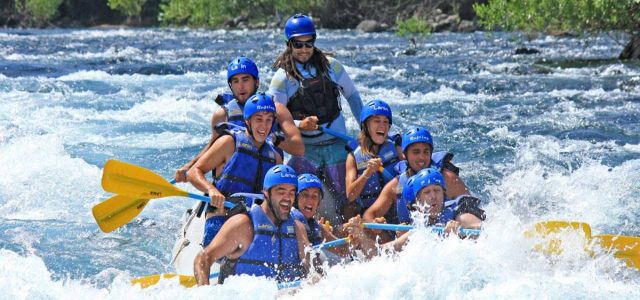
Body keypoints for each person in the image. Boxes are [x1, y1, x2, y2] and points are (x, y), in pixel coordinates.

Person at [269, 14, 364, 226]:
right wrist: (298, 125)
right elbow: (271, 116)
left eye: (308, 43)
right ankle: (299, 230)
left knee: (349, 197)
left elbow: (353, 98)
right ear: (289, 45)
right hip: (305, 151)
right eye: (298, 44)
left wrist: (365, 132)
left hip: (337, 145)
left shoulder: (332, 67)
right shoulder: (282, 79)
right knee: (292, 195)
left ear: (314, 41)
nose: (303, 49)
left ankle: (351, 236)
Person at [175, 56, 303, 182]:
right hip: (233, 183)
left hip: (266, 182)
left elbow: (299, 149)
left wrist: (271, 138)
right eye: (235, 81)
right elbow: (212, 148)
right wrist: (189, 166)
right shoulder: (222, 116)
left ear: (256, 82)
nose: (240, 86)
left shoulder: (277, 110)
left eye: (245, 80)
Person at [187, 93, 282, 246]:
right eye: (259, 119)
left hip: (254, 223)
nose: (264, 126)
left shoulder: (275, 157)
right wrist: (212, 190)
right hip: (222, 216)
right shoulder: (229, 142)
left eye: (268, 120)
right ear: (247, 121)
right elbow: (194, 172)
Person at [194, 165, 310, 285]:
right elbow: (203, 259)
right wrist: (204, 292)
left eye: (291, 193)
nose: (287, 198)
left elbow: (311, 265)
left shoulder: (297, 228)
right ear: (266, 192)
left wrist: (317, 277)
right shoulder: (243, 225)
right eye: (281, 191)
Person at [347, 168, 484, 258]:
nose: (433, 196)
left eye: (437, 190)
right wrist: (361, 236)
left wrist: (460, 233)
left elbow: (484, 231)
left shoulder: (459, 213)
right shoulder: (418, 231)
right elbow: (379, 254)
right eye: (427, 192)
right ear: (416, 203)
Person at [362, 126, 469, 241]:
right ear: (405, 155)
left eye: (426, 152)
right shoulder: (396, 185)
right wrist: (377, 225)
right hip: (412, 242)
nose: (421, 157)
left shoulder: (448, 179)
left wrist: (460, 225)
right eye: (416, 152)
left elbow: (471, 208)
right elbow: (368, 216)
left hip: (447, 238)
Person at [344, 99, 402, 221]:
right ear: (366, 125)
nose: (382, 126)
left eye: (386, 122)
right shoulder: (353, 156)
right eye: (377, 121)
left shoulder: (396, 147)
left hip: (397, 207)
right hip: (369, 214)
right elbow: (350, 196)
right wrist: (367, 173)